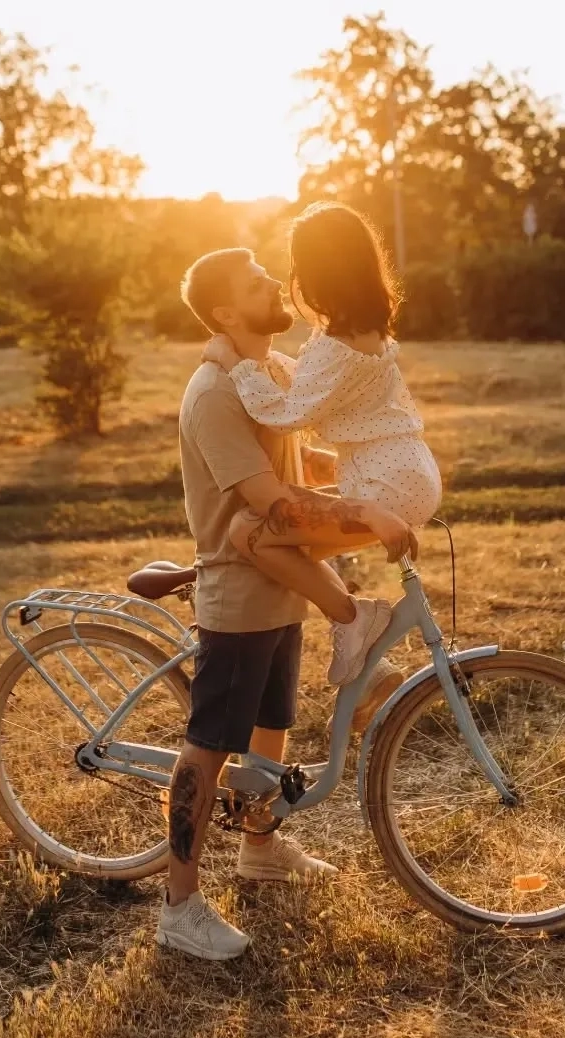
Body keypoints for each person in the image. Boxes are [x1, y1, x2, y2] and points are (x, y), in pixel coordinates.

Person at [157, 247, 419, 961]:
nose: (275, 283)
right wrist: (361, 509)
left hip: (286, 582)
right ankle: (179, 906)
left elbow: (301, 468)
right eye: (255, 285)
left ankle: (260, 851)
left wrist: (383, 475)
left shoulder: (271, 372)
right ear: (224, 312)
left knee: (271, 727)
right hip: (240, 593)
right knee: (208, 749)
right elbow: (268, 504)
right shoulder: (213, 392)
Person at [203, 201, 442, 694]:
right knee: (295, 511)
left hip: (386, 486)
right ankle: (360, 647)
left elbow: (286, 413)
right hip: (407, 471)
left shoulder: (333, 345)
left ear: (316, 272)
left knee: (249, 530)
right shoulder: (367, 332)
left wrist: (237, 364)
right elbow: (315, 385)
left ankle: (350, 617)